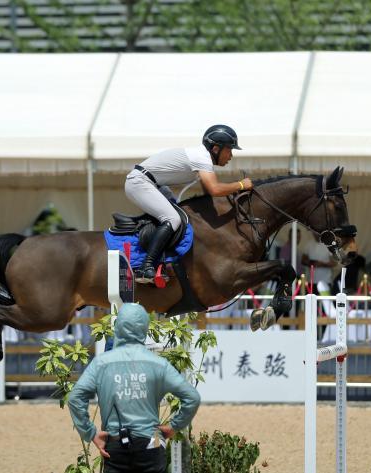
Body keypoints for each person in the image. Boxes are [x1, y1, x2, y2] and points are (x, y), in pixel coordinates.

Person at [68, 303, 200, 473]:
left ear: (118, 327)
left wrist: (90, 433)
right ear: (145, 327)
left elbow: (74, 398)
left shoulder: (101, 363)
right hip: (152, 440)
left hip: (115, 442)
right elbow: (192, 397)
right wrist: (173, 426)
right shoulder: (159, 363)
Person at [125, 125, 249, 284]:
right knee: (173, 219)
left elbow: (208, 196)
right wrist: (241, 185)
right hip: (140, 182)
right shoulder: (202, 158)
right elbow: (215, 189)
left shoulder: (203, 158)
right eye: (229, 150)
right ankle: (145, 266)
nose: (231, 155)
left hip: (154, 184)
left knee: (181, 215)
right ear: (216, 149)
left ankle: (163, 261)